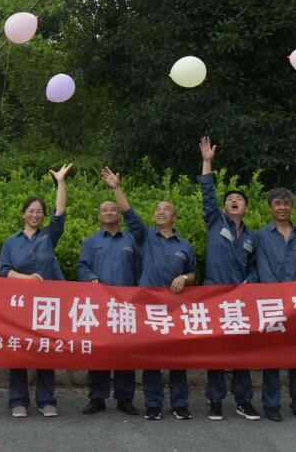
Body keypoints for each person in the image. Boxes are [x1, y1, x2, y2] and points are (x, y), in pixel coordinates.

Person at [103, 166, 197, 421]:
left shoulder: (185, 245)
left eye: (166, 209)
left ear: (175, 217)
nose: (160, 211)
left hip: (175, 308)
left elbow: (192, 274)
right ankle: (153, 404)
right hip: (149, 307)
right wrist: (116, 189)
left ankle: (180, 404)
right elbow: (129, 213)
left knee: (177, 360)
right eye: (158, 209)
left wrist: (184, 278)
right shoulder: (145, 237)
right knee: (151, 358)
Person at [0, 164, 72, 418]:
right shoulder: (11, 242)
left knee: (45, 350)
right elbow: (4, 271)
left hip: (46, 305)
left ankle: (46, 400)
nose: (35, 215)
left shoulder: (48, 236)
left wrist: (60, 182)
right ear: (23, 214)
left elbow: (59, 213)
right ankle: (18, 400)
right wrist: (27, 279)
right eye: (31, 211)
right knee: (18, 351)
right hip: (19, 305)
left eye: (39, 211)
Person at [198, 137, 261, 422]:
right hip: (214, 297)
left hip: (240, 302)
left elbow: (255, 267)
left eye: (239, 200)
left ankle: (243, 400)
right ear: (224, 208)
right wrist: (207, 162)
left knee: (241, 351)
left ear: (246, 208)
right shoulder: (214, 222)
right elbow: (208, 194)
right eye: (230, 200)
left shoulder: (252, 237)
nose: (234, 201)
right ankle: (215, 400)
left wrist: (250, 280)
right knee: (215, 351)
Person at [253, 187, 296, 422]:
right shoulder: (261, 235)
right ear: (270, 208)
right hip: (272, 304)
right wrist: (277, 294)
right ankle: (271, 405)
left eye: (286, 203)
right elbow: (262, 267)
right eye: (277, 203)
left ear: (291, 207)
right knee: (272, 357)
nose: (282, 207)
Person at [76, 200, 142, 417]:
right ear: (99, 216)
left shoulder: (131, 240)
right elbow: (82, 266)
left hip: (126, 306)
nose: (109, 212)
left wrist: (139, 296)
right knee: (99, 351)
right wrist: (90, 278)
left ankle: (125, 398)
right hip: (99, 306)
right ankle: (97, 397)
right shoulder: (91, 242)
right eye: (104, 210)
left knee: (126, 351)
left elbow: (139, 269)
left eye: (113, 209)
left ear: (119, 215)